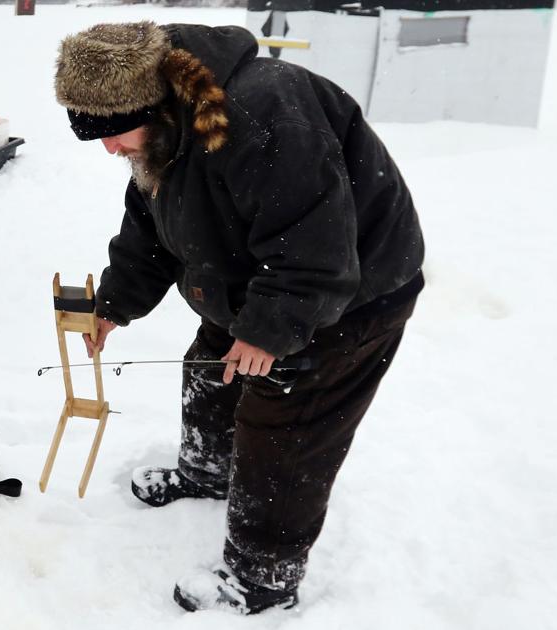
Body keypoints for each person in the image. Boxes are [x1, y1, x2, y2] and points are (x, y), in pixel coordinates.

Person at [54, 22, 425, 614]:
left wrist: (267, 329)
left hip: (348, 296)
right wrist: (116, 303)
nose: (109, 149)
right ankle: (206, 471)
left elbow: (317, 244)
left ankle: (263, 576)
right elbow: (151, 225)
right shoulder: (165, 130)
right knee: (210, 372)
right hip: (259, 278)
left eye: (112, 134)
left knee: (287, 423)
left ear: (151, 102)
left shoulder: (264, 115)